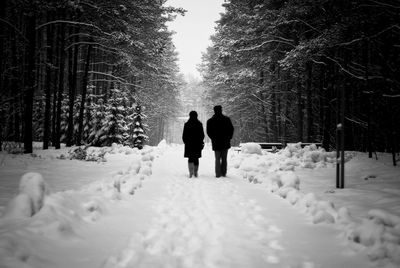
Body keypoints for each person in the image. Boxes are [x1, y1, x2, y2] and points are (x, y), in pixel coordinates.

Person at [206, 105, 234, 178]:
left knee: (217, 158)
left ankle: (218, 173)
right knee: (224, 158)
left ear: (214, 111)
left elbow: (208, 132)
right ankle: (223, 173)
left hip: (216, 142)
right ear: (221, 110)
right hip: (225, 142)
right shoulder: (227, 119)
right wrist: (229, 138)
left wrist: (213, 138)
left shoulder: (210, 121)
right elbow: (231, 129)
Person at [182, 111, 205, 178]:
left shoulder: (187, 124)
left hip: (189, 144)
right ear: (196, 116)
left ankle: (190, 173)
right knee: (196, 158)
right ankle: (195, 172)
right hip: (197, 144)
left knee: (190, 158)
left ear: (189, 116)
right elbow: (202, 135)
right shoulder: (199, 124)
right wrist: (200, 141)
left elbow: (184, 136)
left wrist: (186, 142)